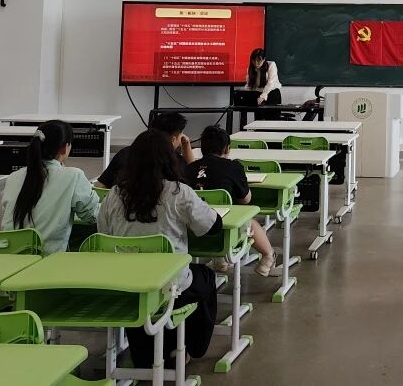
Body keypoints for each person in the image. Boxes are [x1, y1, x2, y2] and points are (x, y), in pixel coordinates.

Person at [98, 129, 219, 369]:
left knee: (145, 296)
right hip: (169, 285)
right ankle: (191, 347)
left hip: (126, 283)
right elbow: (212, 226)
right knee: (205, 277)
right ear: (169, 158)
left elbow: (103, 233)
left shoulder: (115, 194)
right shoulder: (178, 192)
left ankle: (145, 354)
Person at [186, 125, 278, 276]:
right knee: (248, 219)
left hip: (193, 231)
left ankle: (220, 261)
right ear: (227, 148)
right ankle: (268, 256)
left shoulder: (189, 168)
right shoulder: (233, 167)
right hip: (225, 229)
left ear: (202, 148)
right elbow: (245, 200)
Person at [0, 120, 100, 254]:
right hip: (45, 259)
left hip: (5, 256)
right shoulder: (73, 176)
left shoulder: (14, 177)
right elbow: (93, 215)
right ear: (65, 147)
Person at [95, 111, 193, 189]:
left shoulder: (125, 153)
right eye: (181, 135)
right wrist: (186, 144)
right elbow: (195, 172)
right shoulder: (175, 160)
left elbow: (100, 186)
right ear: (173, 139)